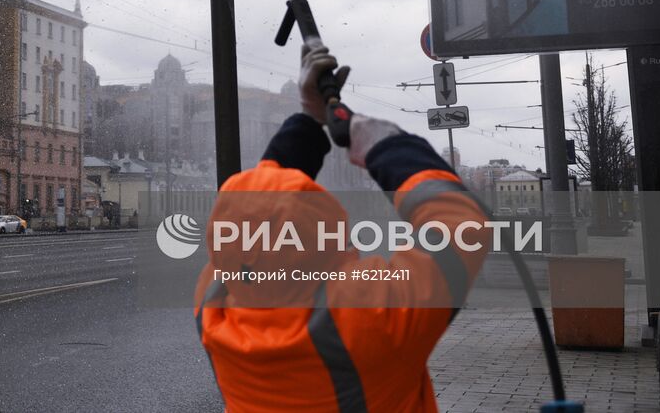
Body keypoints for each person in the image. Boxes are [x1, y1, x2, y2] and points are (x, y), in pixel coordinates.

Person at [194, 44, 490, 412]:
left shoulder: (215, 306)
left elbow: (261, 205)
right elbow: (460, 224)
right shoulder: (372, 316)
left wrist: (309, 115)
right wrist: (387, 145)